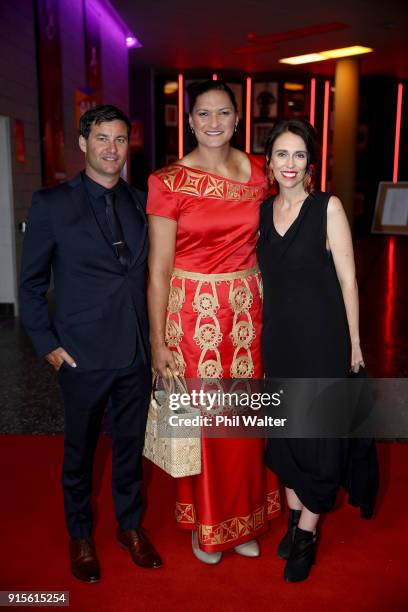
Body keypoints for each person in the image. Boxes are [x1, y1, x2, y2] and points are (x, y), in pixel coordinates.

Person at [20, 105, 162, 583]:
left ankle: (129, 526)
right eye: (102, 138)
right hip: (80, 353)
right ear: (83, 143)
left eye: (120, 140)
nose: (111, 149)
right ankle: (80, 533)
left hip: (135, 353)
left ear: (128, 146)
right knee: (79, 451)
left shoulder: (142, 203)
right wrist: (47, 344)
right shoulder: (52, 204)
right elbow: (32, 283)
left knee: (129, 447)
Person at [147, 80, 280, 564]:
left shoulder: (261, 172)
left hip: (246, 310)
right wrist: (158, 339)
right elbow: (158, 269)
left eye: (223, 113)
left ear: (238, 118)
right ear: (189, 121)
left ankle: (243, 518)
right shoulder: (168, 181)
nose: (213, 123)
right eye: (203, 114)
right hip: (189, 312)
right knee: (198, 426)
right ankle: (204, 522)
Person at [257, 118, 367, 582]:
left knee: (320, 442)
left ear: (310, 164)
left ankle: (306, 534)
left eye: (298, 155)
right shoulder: (262, 213)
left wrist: (356, 344)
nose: (290, 164)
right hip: (279, 343)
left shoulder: (328, 208)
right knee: (285, 438)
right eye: (281, 154)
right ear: (268, 162)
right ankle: (294, 518)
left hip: (323, 342)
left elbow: (348, 279)